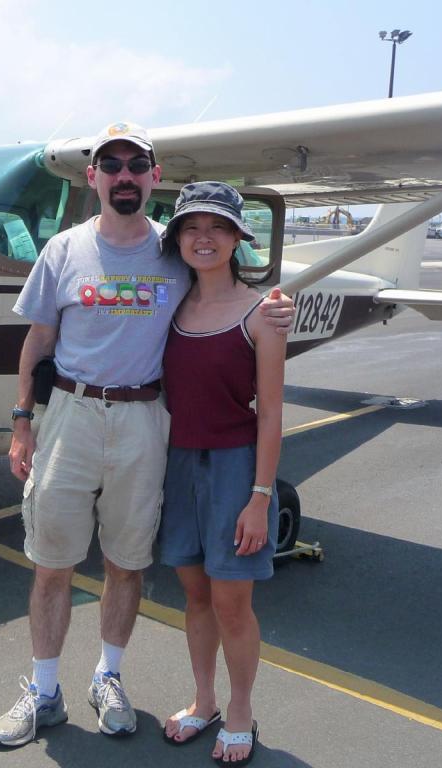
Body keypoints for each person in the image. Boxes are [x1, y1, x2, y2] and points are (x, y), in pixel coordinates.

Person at [0, 122, 292, 748]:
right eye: (111, 165)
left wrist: (278, 305)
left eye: (137, 166)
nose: (124, 176)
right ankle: (44, 691)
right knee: (53, 562)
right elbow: (38, 338)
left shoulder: (175, 247)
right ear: (94, 177)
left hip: (145, 420)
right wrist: (22, 421)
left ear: (153, 178)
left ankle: (110, 677)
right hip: (71, 414)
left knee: (127, 562)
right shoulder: (65, 250)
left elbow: (233, 293)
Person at [158, 182, 286, 766]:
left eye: (217, 227)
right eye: (190, 227)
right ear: (178, 239)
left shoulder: (263, 314)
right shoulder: (169, 306)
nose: (203, 238)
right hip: (177, 461)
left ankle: (240, 710)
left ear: (238, 238)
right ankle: (204, 700)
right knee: (195, 594)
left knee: (233, 601)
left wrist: (260, 497)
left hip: (235, 465)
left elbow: (272, 414)